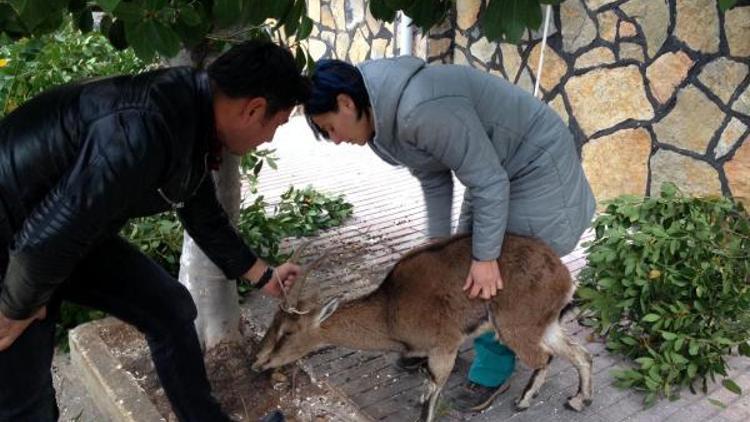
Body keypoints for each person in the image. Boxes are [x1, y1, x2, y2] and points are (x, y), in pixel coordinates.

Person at [0, 40, 309, 421]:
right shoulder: (144, 127)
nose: (271, 139)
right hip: (20, 245)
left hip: (64, 236)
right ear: (254, 109)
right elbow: (46, 239)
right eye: (277, 126)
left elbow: (203, 212)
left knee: (170, 309)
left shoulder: (191, 115)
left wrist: (262, 274)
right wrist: (16, 307)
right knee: (25, 403)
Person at [304, 57, 595, 412]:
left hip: (534, 166)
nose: (334, 140)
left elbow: (489, 183)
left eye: (330, 128)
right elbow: (433, 174)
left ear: (346, 103)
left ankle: (491, 370)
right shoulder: (381, 119)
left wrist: (486, 258)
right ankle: (435, 341)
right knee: (461, 262)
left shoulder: (420, 110)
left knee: (499, 275)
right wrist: (438, 248)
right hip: (495, 167)